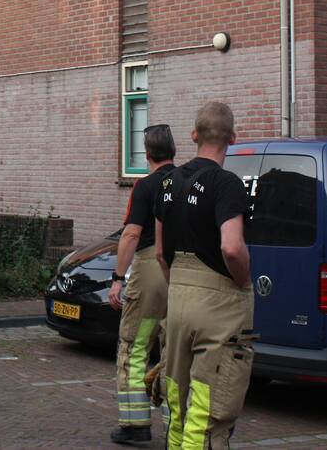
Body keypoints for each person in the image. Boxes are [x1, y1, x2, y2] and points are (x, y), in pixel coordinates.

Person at [155, 102, 254, 450]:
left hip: (178, 300)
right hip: (220, 306)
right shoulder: (227, 184)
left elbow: (159, 252)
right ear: (233, 138)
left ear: (194, 135)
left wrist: (178, 286)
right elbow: (232, 247)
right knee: (211, 403)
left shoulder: (167, 183)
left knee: (176, 396)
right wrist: (244, 283)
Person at [108, 124, 176, 447]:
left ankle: (135, 424)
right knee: (174, 351)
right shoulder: (186, 181)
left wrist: (118, 279)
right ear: (174, 151)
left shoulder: (145, 187)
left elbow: (132, 233)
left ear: (147, 154)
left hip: (150, 273)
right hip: (183, 274)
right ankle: (177, 429)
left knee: (135, 346)